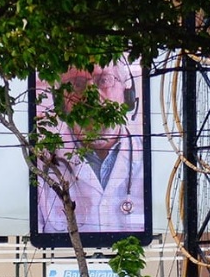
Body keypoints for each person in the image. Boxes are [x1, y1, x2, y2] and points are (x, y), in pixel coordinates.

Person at [36, 59, 145, 234]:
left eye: (104, 80)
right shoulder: (41, 162)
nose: (91, 96)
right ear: (60, 102)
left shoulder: (150, 159)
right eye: (77, 84)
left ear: (127, 94)